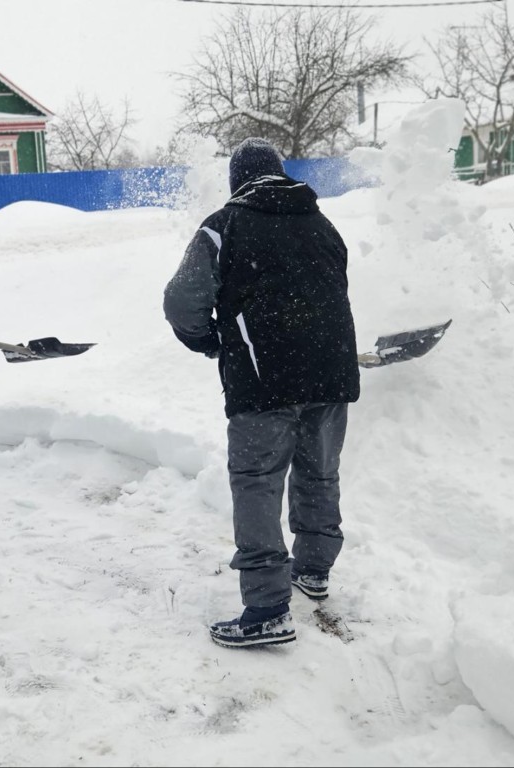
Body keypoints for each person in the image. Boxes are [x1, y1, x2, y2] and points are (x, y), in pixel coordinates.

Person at [163, 137, 360, 648]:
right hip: (332, 373)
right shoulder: (321, 222)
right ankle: (314, 569)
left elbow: (182, 301)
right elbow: (332, 287)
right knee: (320, 472)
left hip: (263, 378)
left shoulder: (224, 224)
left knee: (256, 482)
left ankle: (268, 609)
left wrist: (211, 341)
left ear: (237, 181)